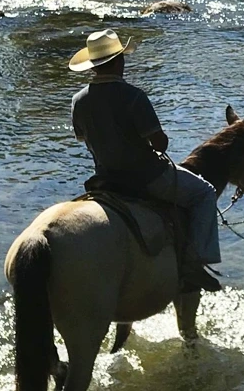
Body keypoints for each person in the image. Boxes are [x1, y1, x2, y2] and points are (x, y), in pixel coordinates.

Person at [69, 29, 222, 293]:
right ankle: (194, 264)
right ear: (119, 61)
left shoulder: (78, 100)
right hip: (147, 178)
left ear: (93, 67)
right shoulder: (134, 96)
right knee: (204, 194)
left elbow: (83, 139)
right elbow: (159, 143)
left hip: (104, 180)